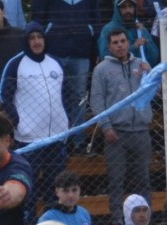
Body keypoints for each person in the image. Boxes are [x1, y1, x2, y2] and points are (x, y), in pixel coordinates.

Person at [0, 22, 70, 225]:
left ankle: (55, 223)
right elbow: (4, 95)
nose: (37, 41)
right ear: (26, 41)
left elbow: (67, 95)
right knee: (26, 183)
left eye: (40, 37)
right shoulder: (16, 64)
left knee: (55, 183)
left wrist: (67, 122)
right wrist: (17, 122)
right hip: (29, 139)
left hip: (57, 137)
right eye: (32, 38)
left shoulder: (55, 63)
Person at [91, 29, 154, 225]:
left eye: (123, 41)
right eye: (115, 42)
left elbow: (156, 91)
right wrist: (106, 126)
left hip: (141, 131)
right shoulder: (101, 69)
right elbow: (97, 100)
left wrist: (150, 74)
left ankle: (144, 219)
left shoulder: (141, 65)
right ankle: (118, 219)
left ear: (129, 43)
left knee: (143, 179)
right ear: (109, 46)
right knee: (116, 180)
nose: (119, 45)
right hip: (116, 133)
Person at [32, 0, 101, 151]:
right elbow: (38, 19)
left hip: (81, 51)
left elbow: (96, 17)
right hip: (55, 51)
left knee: (80, 97)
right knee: (54, 96)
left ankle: (78, 140)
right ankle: (58, 140)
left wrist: (92, 38)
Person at [98, 0, 160, 67]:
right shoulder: (108, 29)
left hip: (140, 73)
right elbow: (105, 57)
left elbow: (154, 56)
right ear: (117, 9)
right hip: (115, 74)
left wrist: (146, 42)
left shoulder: (140, 29)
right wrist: (134, 47)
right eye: (123, 7)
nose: (128, 10)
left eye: (130, 6)